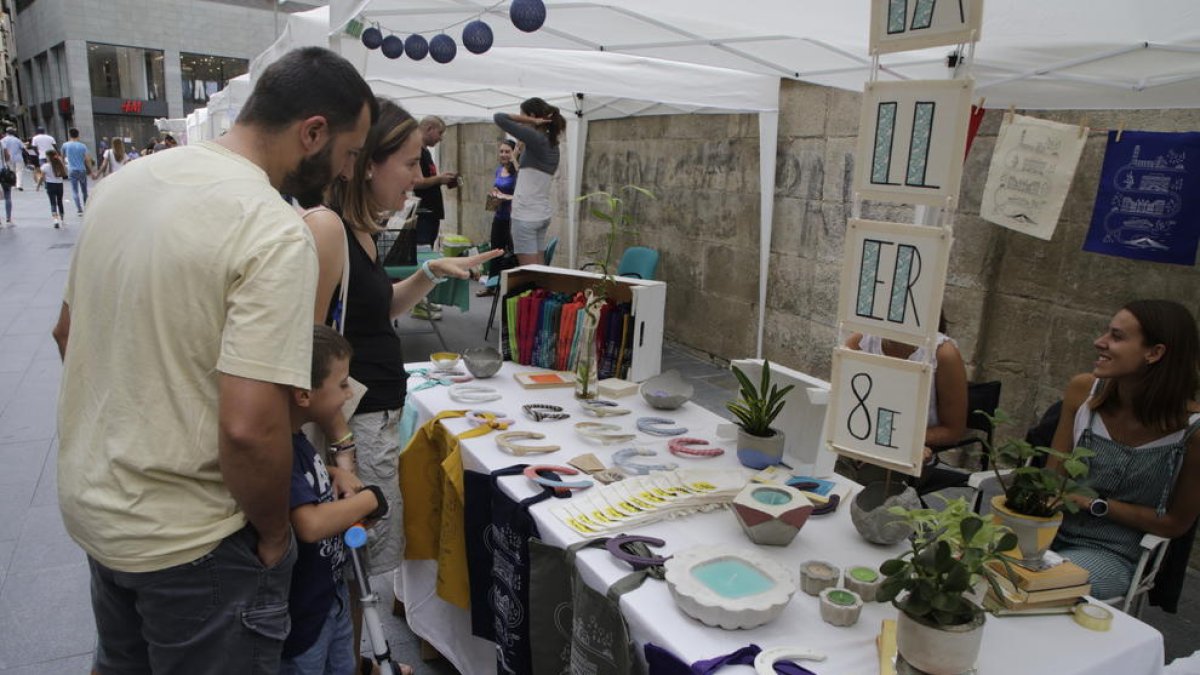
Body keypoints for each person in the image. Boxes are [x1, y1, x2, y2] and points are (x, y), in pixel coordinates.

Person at [51, 46, 376, 674]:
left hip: (100, 511)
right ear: (313, 131)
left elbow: (69, 334)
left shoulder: (122, 185)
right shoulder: (272, 228)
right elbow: (250, 426)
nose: (346, 169)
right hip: (192, 541)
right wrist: (276, 533)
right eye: (349, 151)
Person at [300, 98, 500, 664]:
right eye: (410, 164)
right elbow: (309, 354)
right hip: (353, 425)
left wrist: (430, 272)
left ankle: (356, 658)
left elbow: (380, 308)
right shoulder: (327, 228)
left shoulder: (359, 231)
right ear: (368, 163)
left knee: (360, 561)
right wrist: (340, 445)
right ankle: (350, 660)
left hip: (372, 417)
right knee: (352, 560)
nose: (418, 177)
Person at [1050, 300, 1200, 599]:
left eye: (1116, 337)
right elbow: (1052, 479)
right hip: (1048, 531)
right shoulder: (1083, 391)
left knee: (1043, 582)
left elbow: (1176, 522)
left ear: (1154, 352)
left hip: (1115, 554)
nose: (1099, 342)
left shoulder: (1192, 429)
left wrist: (1095, 504)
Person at [281, 325, 402, 675]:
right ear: (304, 394)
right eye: (343, 383)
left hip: (328, 596)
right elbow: (310, 523)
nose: (349, 394)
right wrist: (370, 500)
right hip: (304, 615)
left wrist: (337, 474)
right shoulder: (284, 451)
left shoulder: (300, 444)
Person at [842, 313, 970, 493]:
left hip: (910, 452)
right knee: (825, 467)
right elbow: (842, 404)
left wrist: (906, 441)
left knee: (866, 487)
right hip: (861, 440)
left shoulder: (942, 353)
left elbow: (953, 430)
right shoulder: (860, 342)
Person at [493, 98, 566, 266]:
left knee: (529, 273)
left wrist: (531, 121)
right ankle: (540, 292)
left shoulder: (536, 138)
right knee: (539, 269)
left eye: (522, 115)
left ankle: (534, 292)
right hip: (541, 213)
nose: (520, 119)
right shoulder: (551, 143)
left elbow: (499, 117)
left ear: (532, 116)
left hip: (526, 215)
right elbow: (530, 175)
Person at [478, 139, 518, 297]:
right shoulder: (499, 170)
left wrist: (505, 196)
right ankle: (491, 286)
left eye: (507, 151)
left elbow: (521, 197)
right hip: (499, 216)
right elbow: (498, 189)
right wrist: (494, 194)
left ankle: (512, 287)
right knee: (495, 251)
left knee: (511, 253)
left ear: (514, 153)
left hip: (512, 218)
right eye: (501, 151)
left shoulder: (518, 172)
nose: (504, 154)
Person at [410, 115, 457, 247]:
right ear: (429, 128)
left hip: (431, 213)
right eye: (440, 133)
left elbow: (426, 178)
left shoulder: (425, 151)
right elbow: (417, 182)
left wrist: (441, 178)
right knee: (423, 249)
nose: (440, 138)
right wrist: (439, 179)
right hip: (422, 214)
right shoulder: (415, 150)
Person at [61, 127, 94, 215]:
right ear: (78, 135)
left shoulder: (65, 145)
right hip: (82, 170)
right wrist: (91, 171)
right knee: (84, 191)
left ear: (69, 135)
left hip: (72, 170)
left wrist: (64, 167)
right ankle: (86, 206)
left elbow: (62, 157)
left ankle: (79, 209)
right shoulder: (83, 146)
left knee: (74, 190)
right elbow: (87, 159)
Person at [40, 148, 67, 228]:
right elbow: (64, 174)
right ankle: (62, 220)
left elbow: (42, 177)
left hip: (50, 185)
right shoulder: (60, 164)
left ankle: (55, 220)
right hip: (59, 185)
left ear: (48, 157)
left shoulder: (45, 166)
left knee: (53, 202)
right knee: (60, 202)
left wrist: (38, 185)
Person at [0, 143, 14, 226]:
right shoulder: (2, 143)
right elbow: (7, 156)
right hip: (3, 170)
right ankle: (8, 219)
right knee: (7, 195)